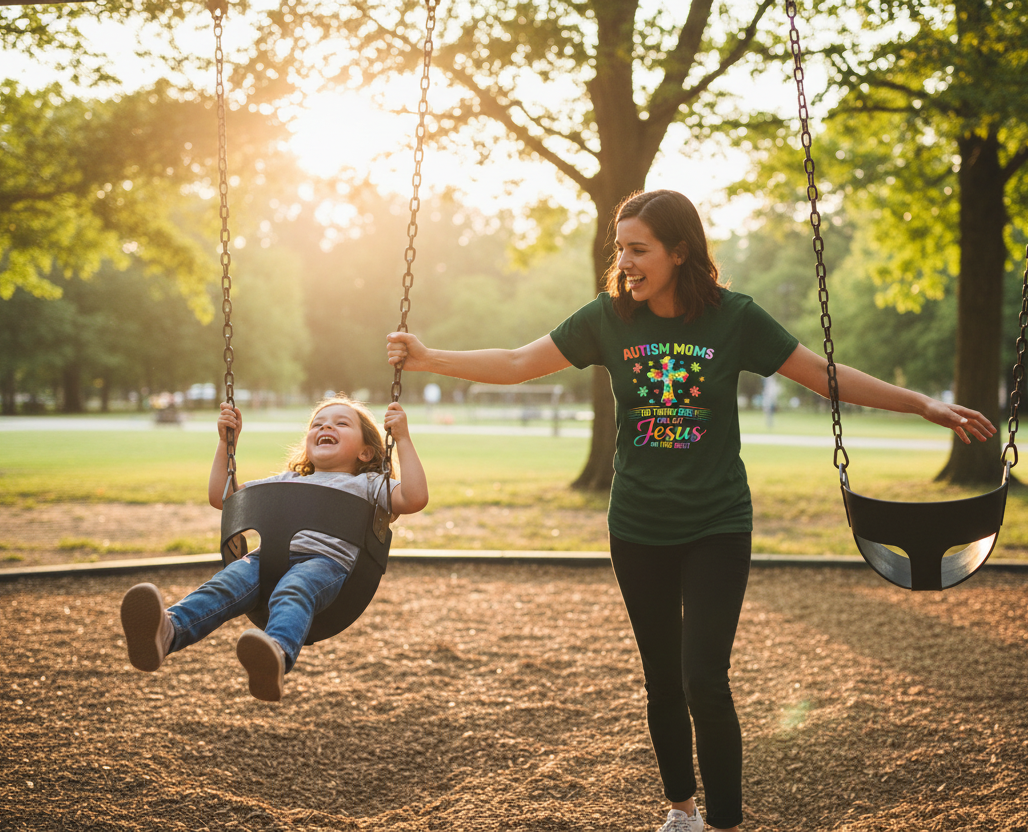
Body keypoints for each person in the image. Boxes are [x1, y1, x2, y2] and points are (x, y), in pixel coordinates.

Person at [386, 190, 995, 832]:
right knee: (662, 680)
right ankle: (682, 811)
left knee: (704, 677)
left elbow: (825, 376)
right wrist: (428, 358)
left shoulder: (734, 318)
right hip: (638, 527)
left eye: (639, 249)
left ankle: (725, 823)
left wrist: (923, 405)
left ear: (679, 252)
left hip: (716, 524)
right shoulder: (608, 318)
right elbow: (517, 363)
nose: (625, 262)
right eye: (620, 249)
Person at [120, 395, 428, 702]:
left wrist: (402, 437)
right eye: (317, 424)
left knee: (294, 588)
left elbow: (414, 498)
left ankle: (275, 655)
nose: (326, 427)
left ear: (366, 451)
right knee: (226, 583)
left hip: (325, 564)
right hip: (266, 559)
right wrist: (226, 442)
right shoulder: (289, 480)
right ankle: (168, 630)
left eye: (341, 423)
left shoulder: (370, 484)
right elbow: (225, 498)